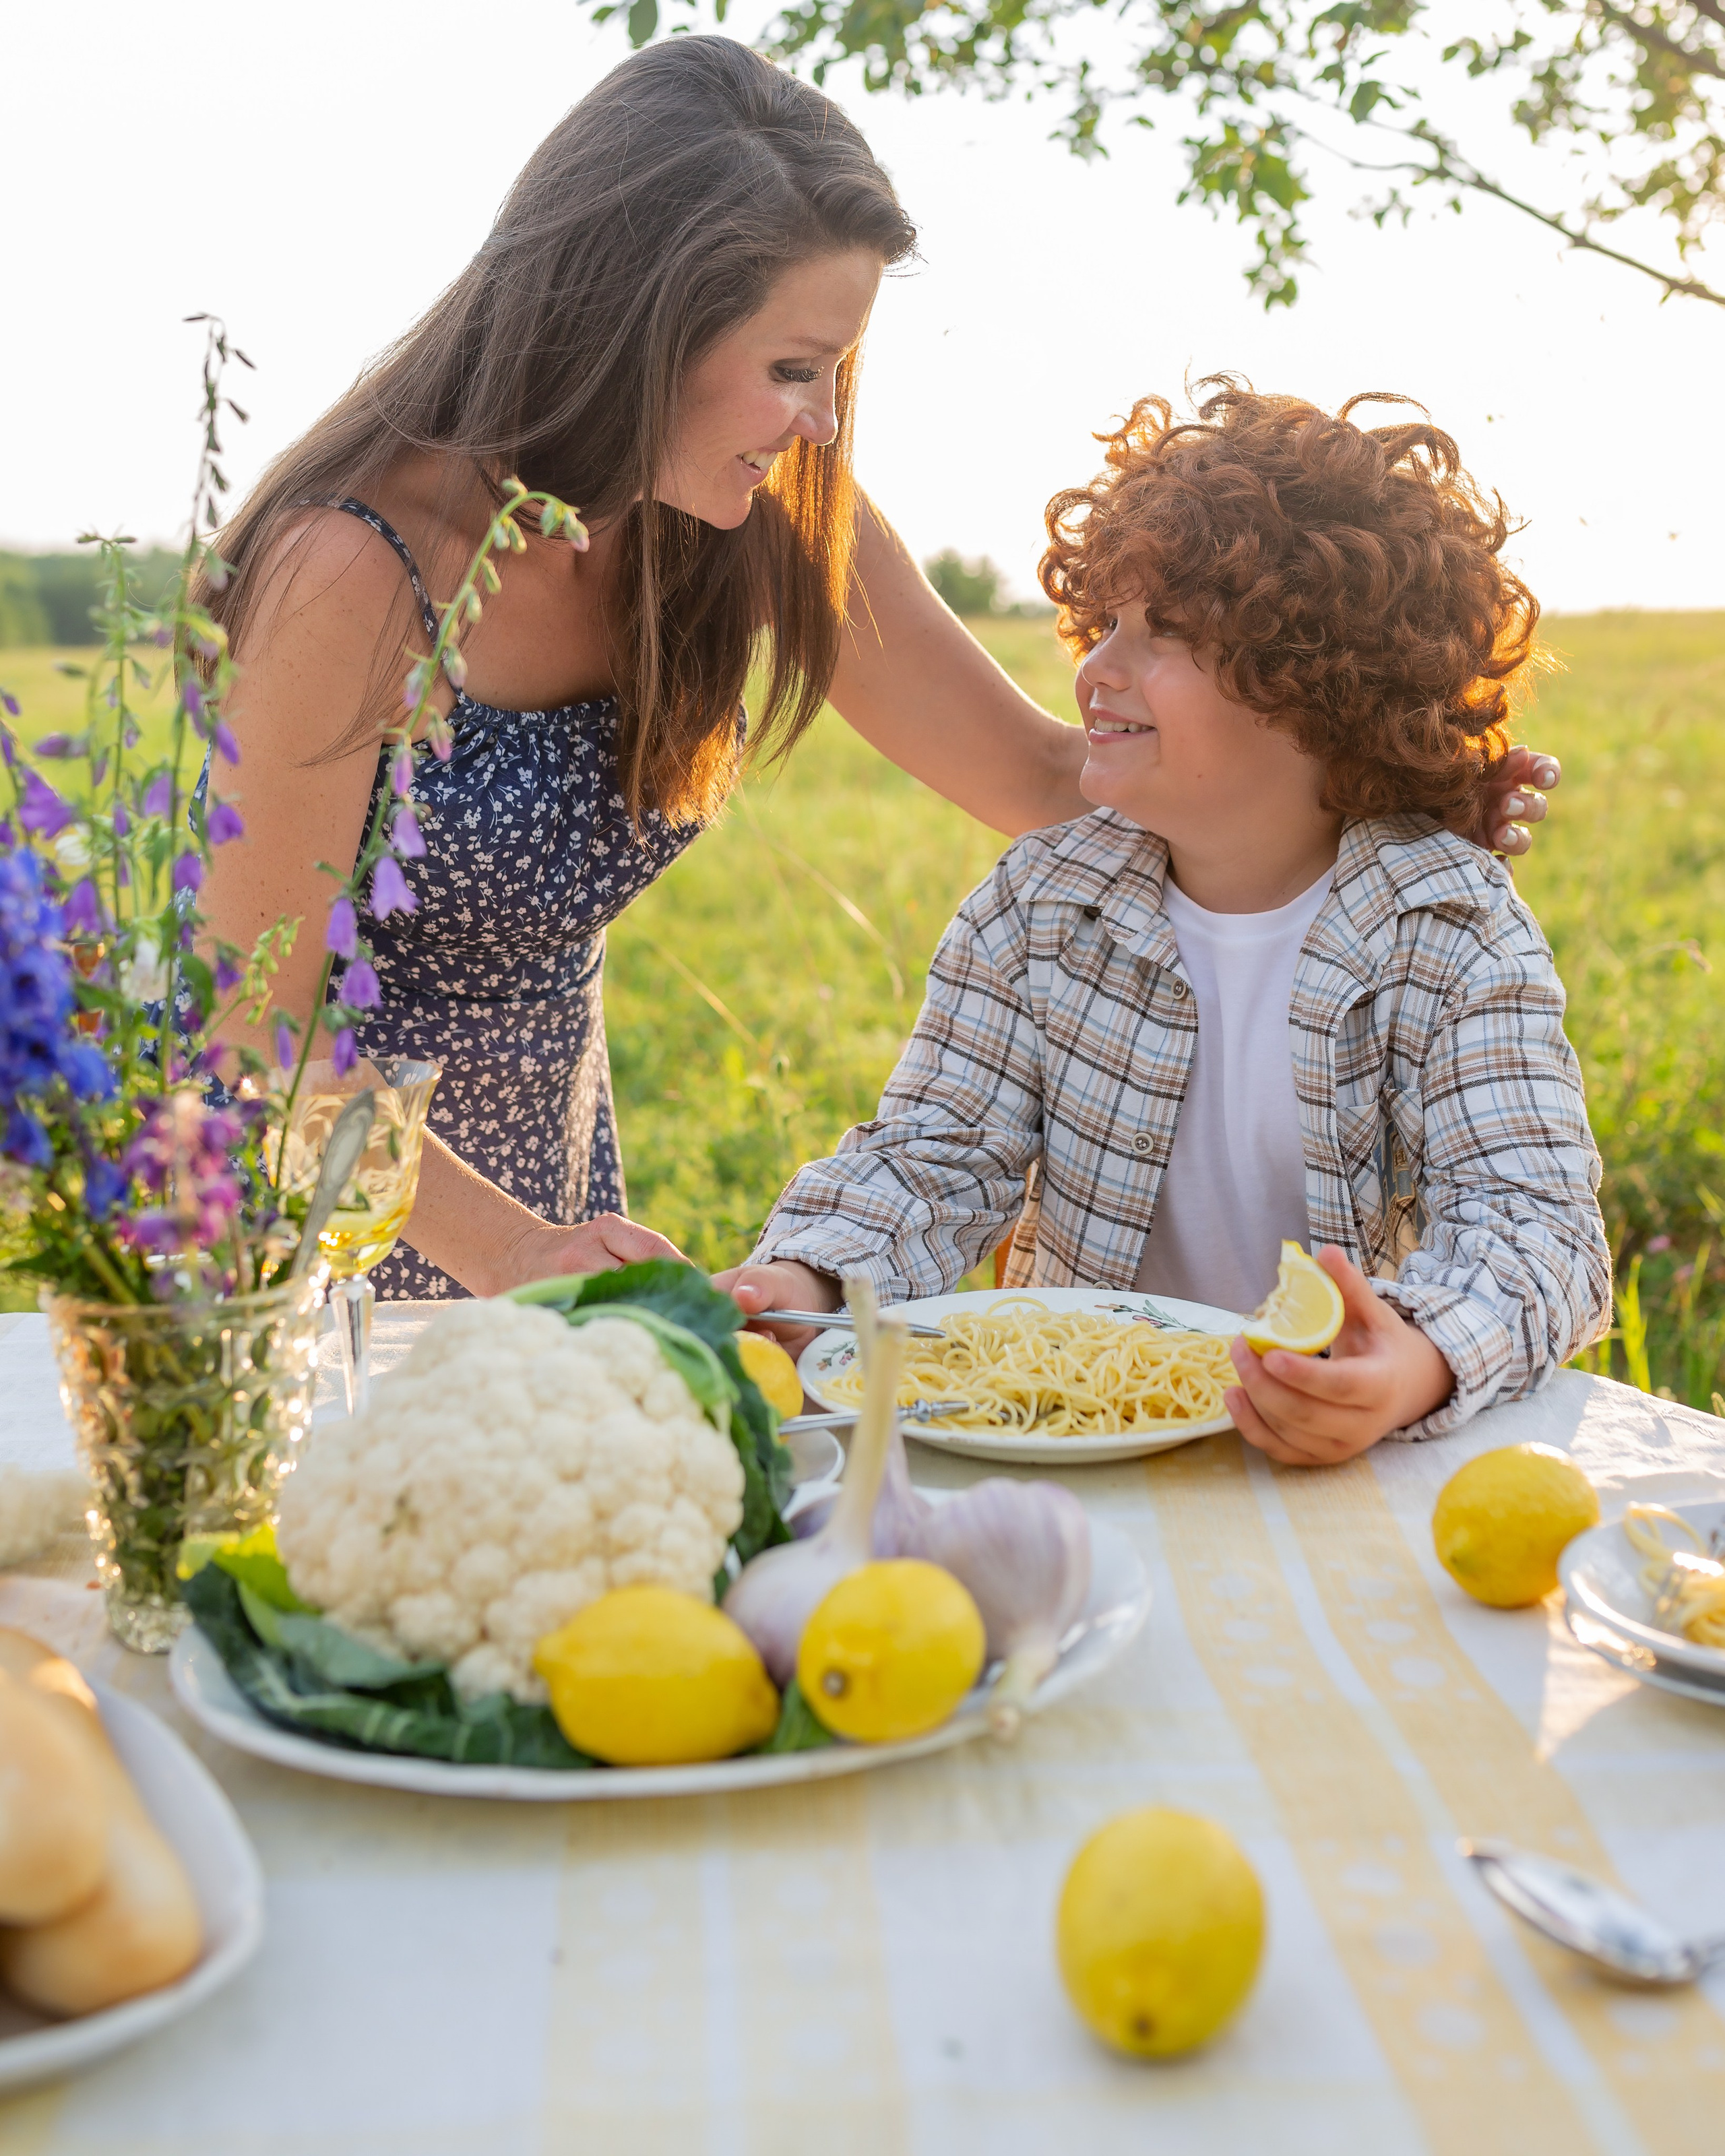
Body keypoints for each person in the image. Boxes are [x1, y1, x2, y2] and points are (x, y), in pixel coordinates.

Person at [203, 36, 1555, 1301]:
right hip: (311, 1221)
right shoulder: (354, 569)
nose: (823, 420)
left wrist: (1384, 805)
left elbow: (1044, 773)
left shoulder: (755, 516)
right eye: (793, 365)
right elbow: (250, 1044)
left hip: (550, 1189)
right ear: (639, 326)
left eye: (839, 368)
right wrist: (512, 1250)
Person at [724, 383, 1611, 1463]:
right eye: (1104, 626)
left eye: (1166, 634)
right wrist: (805, 1279)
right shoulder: (1042, 904)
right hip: (1074, 1437)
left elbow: (1534, 1223)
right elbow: (934, 1159)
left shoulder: (1448, 928)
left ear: (1315, 684)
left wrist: (1414, 1358)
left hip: (1333, 1459)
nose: (1098, 670)